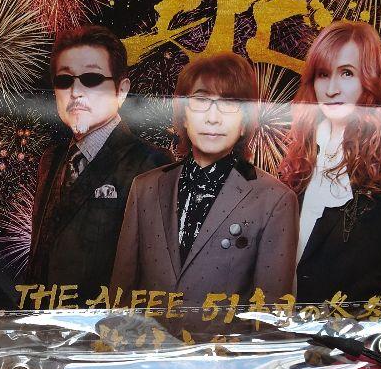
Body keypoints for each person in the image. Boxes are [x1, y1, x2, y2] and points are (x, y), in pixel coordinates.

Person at [276, 20, 381, 302]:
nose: (332, 89)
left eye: (346, 73)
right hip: (285, 311)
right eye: (323, 74)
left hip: (345, 320)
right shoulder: (301, 149)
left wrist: (358, 296)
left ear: (369, 78)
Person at [110, 52, 298, 305]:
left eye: (229, 103)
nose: (213, 118)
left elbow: (271, 313)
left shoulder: (275, 200)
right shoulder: (145, 187)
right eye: (200, 100)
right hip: (148, 331)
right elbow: (120, 299)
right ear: (184, 116)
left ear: (245, 122)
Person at [27, 25, 168, 300]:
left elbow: (154, 279)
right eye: (64, 80)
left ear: (121, 90)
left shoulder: (152, 164)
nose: (76, 92)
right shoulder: (51, 160)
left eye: (91, 78)